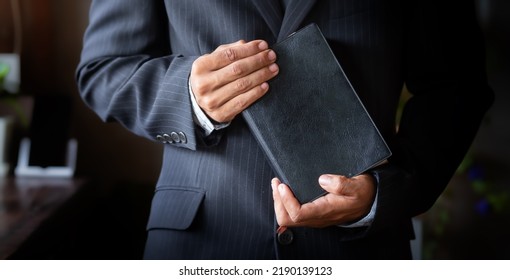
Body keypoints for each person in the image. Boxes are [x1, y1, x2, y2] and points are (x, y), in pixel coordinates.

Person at [76, 0, 493, 259]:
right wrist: (186, 93)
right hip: (199, 242)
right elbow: (102, 72)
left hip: (361, 251)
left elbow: (456, 86)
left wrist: (384, 192)